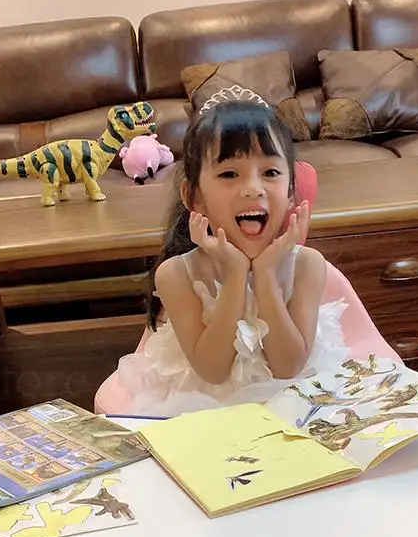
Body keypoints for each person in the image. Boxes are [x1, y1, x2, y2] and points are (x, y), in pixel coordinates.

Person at [115, 91, 352, 417]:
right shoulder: (176, 274)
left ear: (291, 192)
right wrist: (236, 273)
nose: (253, 188)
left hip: (293, 400)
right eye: (229, 174)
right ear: (194, 197)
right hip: (207, 410)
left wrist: (265, 273)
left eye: (270, 173)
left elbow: (288, 367)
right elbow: (212, 370)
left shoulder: (307, 265)